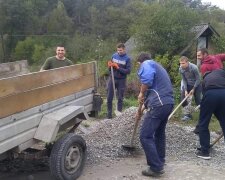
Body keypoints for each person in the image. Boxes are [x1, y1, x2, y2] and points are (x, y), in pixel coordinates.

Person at [136, 52, 174, 177]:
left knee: (145, 136)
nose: (139, 67)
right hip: (167, 103)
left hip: (159, 104)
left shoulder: (147, 63)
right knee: (159, 134)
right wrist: (143, 105)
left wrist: (141, 93)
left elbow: (146, 80)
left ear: (141, 62)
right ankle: (160, 161)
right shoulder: (158, 68)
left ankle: (156, 167)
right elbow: (152, 90)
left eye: (138, 65)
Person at [194, 48, 225, 134]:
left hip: (211, 90)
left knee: (206, 109)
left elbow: (206, 81)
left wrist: (205, 95)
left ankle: (200, 127)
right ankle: (199, 127)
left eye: (199, 55)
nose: (198, 57)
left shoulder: (204, 66)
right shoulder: (217, 57)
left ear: (205, 54)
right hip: (222, 87)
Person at [196, 69, 225, 160]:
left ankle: (205, 152)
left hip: (210, 94)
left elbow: (204, 96)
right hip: (223, 93)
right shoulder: (221, 72)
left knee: (203, 123)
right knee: (224, 121)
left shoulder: (205, 80)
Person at [106, 43, 131, 119]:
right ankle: (109, 114)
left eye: (120, 50)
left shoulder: (127, 59)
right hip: (113, 78)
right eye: (118, 50)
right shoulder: (114, 56)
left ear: (124, 49)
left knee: (120, 97)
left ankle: (119, 115)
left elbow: (128, 71)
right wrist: (109, 66)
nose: (119, 52)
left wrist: (118, 67)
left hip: (121, 80)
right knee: (109, 97)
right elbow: (110, 68)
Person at [179, 56, 201, 121]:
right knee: (183, 101)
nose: (181, 65)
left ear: (187, 62)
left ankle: (204, 115)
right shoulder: (181, 69)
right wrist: (185, 90)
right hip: (187, 84)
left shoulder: (194, 68)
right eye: (180, 63)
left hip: (197, 85)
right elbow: (184, 80)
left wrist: (193, 89)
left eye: (183, 63)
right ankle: (187, 115)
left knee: (198, 101)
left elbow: (198, 79)